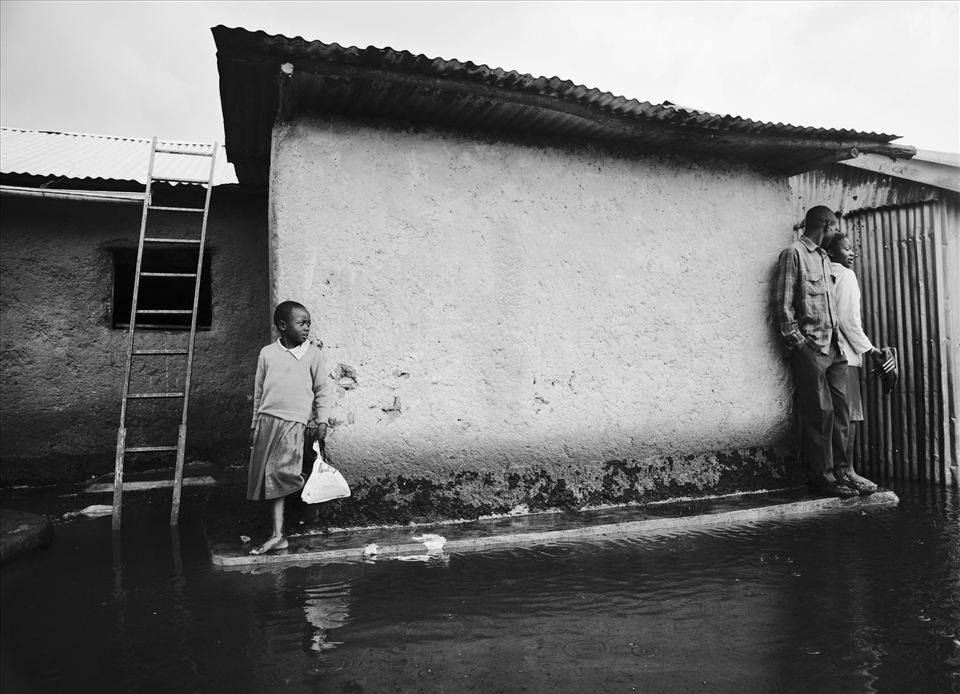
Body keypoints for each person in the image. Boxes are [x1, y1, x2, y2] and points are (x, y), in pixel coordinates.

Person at [773, 206, 857, 497]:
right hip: (812, 348)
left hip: (834, 349)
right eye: (834, 229)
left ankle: (842, 472)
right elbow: (782, 306)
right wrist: (800, 345)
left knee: (841, 413)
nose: (835, 235)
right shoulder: (793, 254)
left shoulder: (823, 257)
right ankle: (822, 480)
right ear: (827, 226)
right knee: (819, 414)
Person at [247, 300, 333, 555]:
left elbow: (322, 391)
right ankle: (278, 535)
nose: (307, 328)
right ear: (282, 326)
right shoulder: (267, 353)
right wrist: (254, 424)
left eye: (309, 323)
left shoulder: (313, 354)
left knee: (282, 473)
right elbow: (259, 392)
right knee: (269, 478)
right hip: (267, 421)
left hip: (294, 423)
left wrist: (322, 420)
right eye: (301, 323)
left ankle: (310, 494)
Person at [825, 232, 895, 494]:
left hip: (828, 355)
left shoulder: (824, 273)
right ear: (832, 252)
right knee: (851, 416)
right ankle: (848, 471)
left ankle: (838, 471)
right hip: (846, 356)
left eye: (852, 248)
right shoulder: (846, 275)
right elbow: (847, 319)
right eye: (846, 248)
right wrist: (871, 350)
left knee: (836, 416)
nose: (851, 253)